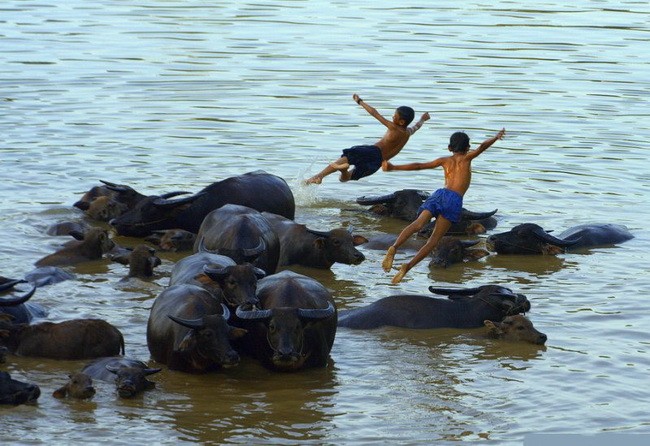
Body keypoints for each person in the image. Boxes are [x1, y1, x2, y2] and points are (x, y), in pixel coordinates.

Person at [381, 128, 506, 283]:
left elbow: (420, 166)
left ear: (449, 148)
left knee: (417, 224)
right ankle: (408, 266)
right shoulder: (467, 159)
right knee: (433, 241)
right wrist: (495, 137)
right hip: (453, 200)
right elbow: (482, 147)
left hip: (439, 194)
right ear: (467, 148)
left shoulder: (444, 161)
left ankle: (394, 247)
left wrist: (394, 167)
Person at [304, 94, 430, 184]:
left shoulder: (393, 128)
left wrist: (360, 101)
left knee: (347, 157)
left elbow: (375, 113)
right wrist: (423, 119)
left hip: (374, 152)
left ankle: (318, 176)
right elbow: (416, 127)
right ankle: (343, 170)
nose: (392, 117)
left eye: (394, 116)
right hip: (377, 163)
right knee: (345, 179)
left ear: (401, 121)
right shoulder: (407, 132)